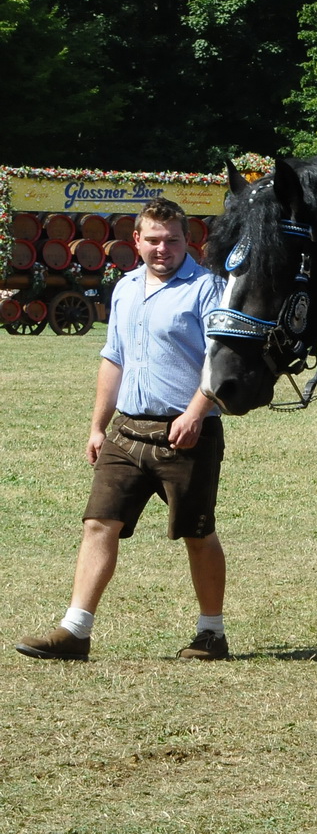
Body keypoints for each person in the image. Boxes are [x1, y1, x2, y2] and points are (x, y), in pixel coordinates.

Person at [16, 198, 230, 662]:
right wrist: (97, 426)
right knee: (98, 523)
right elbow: (113, 358)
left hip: (188, 432)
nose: (162, 249)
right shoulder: (126, 287)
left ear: (186, 241)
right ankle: (75, 631)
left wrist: (196, 413)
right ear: (136, 241)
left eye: (172, 240)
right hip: (127, 432)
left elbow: (221, 360)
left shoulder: (207, 288)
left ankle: (211, 633)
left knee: (197, 532)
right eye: (152, 240)